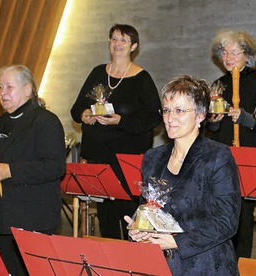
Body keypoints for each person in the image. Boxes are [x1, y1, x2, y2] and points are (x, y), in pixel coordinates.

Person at [125, 75, 241, 275]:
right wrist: (138, 228)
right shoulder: (152, 158)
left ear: (200, 115)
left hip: (206, 266)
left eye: (179, 111)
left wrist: (175, 241)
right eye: (167, 110)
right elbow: (149, 211)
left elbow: (226, 222)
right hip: (159, 265)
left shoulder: (217, 156)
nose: (170, 118)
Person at [0, 65, 66, 275]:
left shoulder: (46, 121)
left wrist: (11, 170)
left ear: (27, 90)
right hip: (0, 218)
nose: (2, 92)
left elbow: (55, 166)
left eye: (9, 87)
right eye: (0, 87)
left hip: (33, 219)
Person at [70, 24, 161, 240]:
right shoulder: (97, 72)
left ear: (134, 46)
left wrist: (121, 121)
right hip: (98, 157)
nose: (117, 44)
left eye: (123, 40)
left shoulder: (142, 78)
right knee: (106, 220)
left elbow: (154, 117)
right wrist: (84, 115)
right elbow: (75, 109)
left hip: (126, 160)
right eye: (114, 39)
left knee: (128, 218)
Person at [207, 29, 256, 259]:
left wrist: (245, 118)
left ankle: (242, 263)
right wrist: (214, 121)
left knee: (243, 216)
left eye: (234, 52)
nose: (228, 57)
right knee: (220, 212)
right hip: (222, 154)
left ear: (247, 54)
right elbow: (209, 128)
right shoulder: (217, 84)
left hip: (248, 154)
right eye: (224, 52)